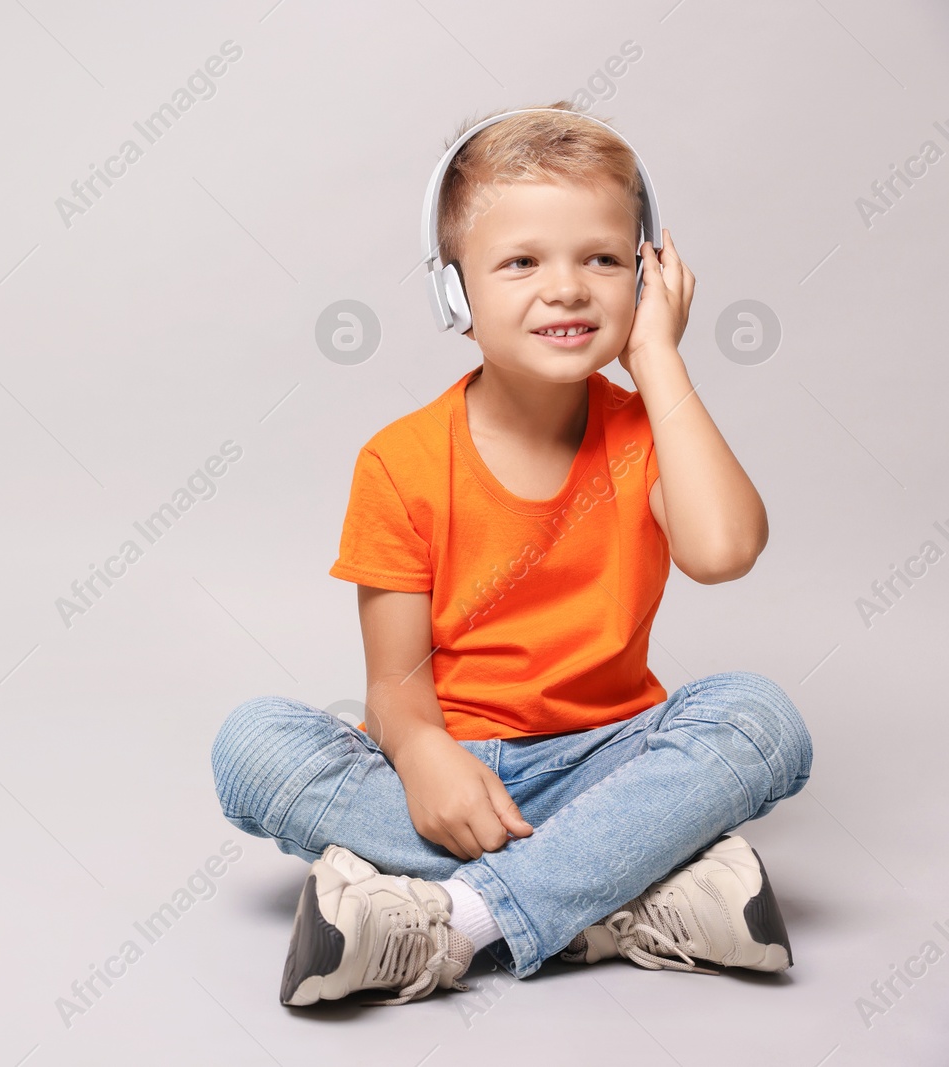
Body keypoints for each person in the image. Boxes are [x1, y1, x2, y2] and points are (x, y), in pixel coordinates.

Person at [210, 101, 814, 1006]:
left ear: (645, 279)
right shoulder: (400, 460)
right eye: (521, 262)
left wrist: (658, 361)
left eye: (603, 259)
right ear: (453, 293)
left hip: (608, 756)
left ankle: (454, 921)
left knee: (761, 720)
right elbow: (396, 693)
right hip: (449, 767)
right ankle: (627, 888)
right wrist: (418, 753)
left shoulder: (649, 435)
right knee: (251, 744)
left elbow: (725, 549)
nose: (567, 288)